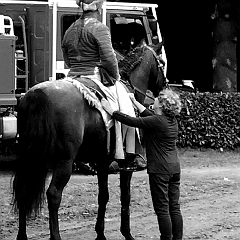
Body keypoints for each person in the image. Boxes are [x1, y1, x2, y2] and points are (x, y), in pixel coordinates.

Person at [61, 0, 138, 170]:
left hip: (72, 76)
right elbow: (110, 59)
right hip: (93, 75)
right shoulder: (100, 28)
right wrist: (115, 77)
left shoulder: (69, 29)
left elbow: (66, 59)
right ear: (99, 7)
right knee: (126, 108)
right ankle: (125, 152)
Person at [101, 88, 183, 240]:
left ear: (162, 105)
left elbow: (133, 121)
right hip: (174, 168)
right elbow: (147, 115)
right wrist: (134, 102)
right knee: (174, 207)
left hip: (160, 170)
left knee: (162, 209)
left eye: (158, 98)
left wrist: (112, 111)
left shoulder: (156, 121)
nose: (155, 100)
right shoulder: (171, 121)